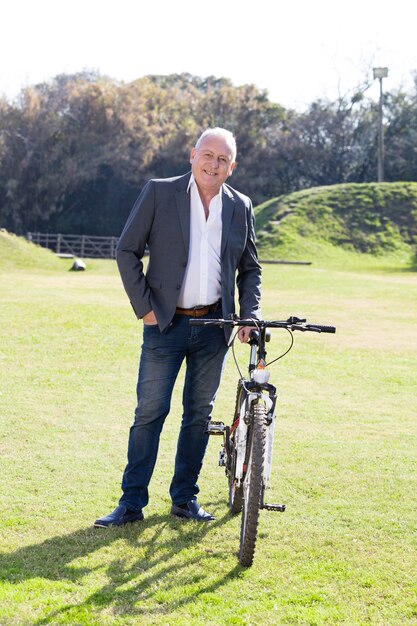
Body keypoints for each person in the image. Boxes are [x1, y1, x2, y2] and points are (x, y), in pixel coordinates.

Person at [94, 127, 261, 527]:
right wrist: (145, 309)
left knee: (198, 417)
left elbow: (250, 269)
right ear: (193, 155)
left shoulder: (240, 206)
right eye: (208, 155)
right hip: (165, 326)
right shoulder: (159, 192)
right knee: (149, 412)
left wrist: (249, 314)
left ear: (232, 167)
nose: (214, 164)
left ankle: (184, 499)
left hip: (214, 328)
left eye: (223, 160)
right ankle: (131, 504)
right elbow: (126, 250)